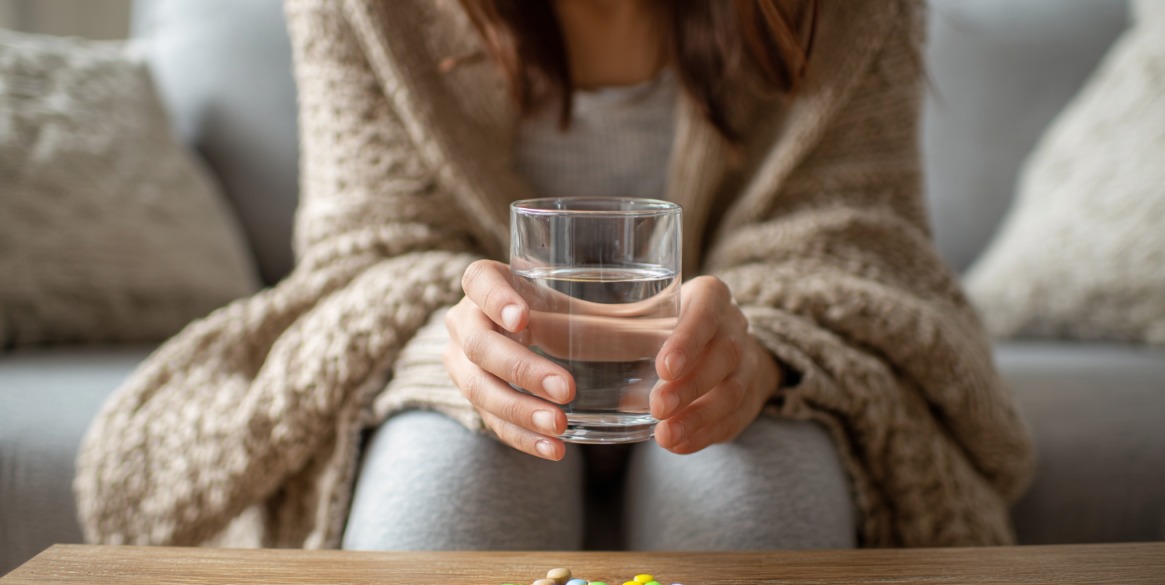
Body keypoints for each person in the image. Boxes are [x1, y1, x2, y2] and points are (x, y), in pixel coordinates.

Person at [75, 0, 1034, 552]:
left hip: (739, 370)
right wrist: (463, 334)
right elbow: (371, 248)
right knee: (448, 484)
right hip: (454, 361)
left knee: (750, 498)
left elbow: (855, 242)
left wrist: (766, 353)